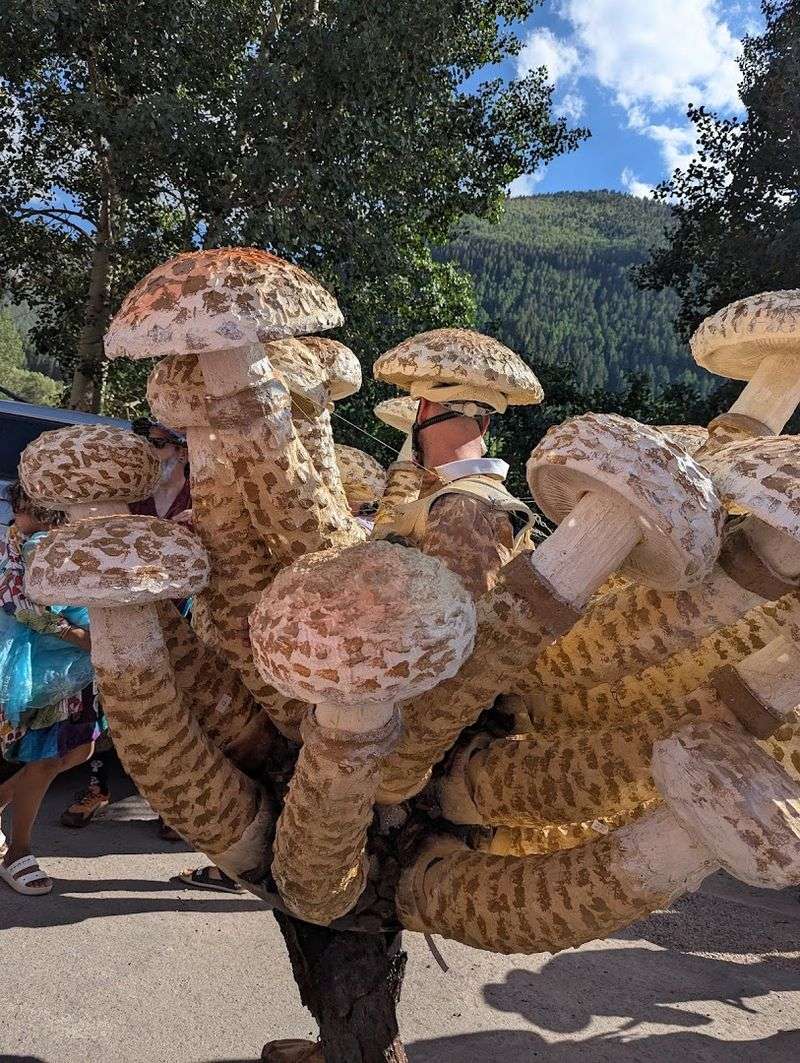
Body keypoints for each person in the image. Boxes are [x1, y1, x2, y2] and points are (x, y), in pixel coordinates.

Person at [60, 418, 191, 830]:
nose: (149, 452)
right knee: (109, 701)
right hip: (126, 614)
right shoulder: (132, 498)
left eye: (157, 443)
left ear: (182, 450)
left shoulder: (202, 497)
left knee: (178, 706)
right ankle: (97, 787)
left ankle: (172, 807)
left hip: (183, 618)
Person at [0, 482, 102, 896]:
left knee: (80, 750)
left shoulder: (39, 542)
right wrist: (81, 637)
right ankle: (17, 852)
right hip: (52, 671)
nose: (14, 518)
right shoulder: (38, 546)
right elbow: (23, 607)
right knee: (47, 758)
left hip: (69, 669)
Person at [376, 396, 536, 599]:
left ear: (422, 410)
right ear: (485, 424)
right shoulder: (464, 498)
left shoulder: (462, 507)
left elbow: (450, 623)